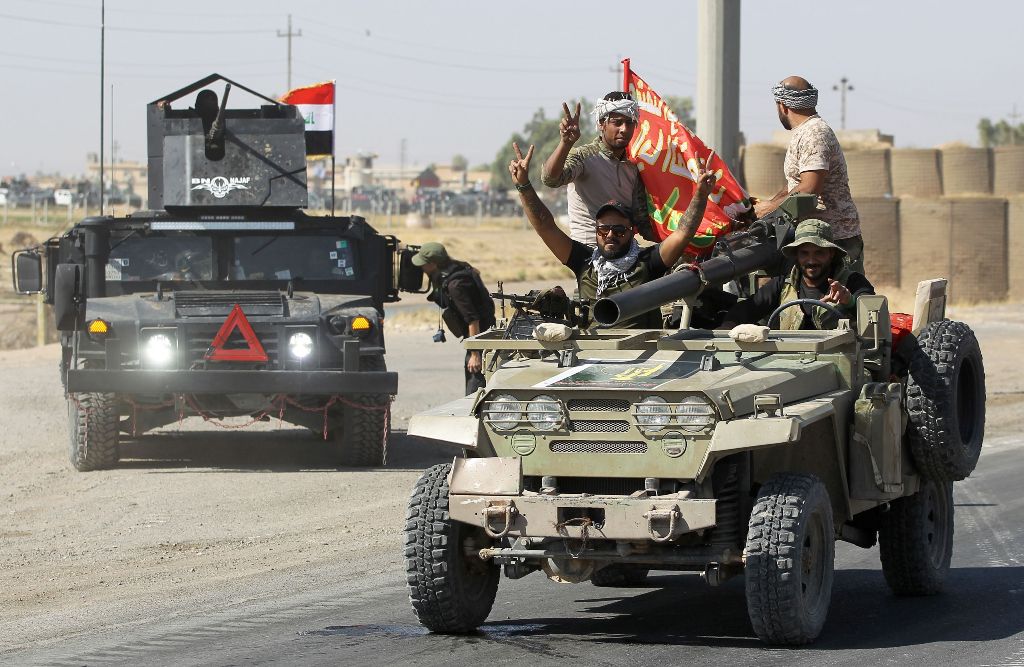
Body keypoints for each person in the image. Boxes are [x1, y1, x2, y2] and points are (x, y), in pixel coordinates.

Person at [510, 142, 716, 329]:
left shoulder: (647, 262)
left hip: (641, 352)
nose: (610, 235)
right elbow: (546, 226)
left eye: (619, 231)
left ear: (631, 231)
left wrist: (700, 195)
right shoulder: (584, 262)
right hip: (594, 351)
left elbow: (682, 233)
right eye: (603, 230)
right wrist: (523, 185)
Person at [752, 76, 864, 273]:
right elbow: (796, 183)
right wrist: (767, 205)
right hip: (815, 239)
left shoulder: (814, 133)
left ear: (783, 106)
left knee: (837, 293)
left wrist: (770, 208)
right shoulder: (805, 132)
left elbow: (810, 188)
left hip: (833, 240)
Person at [541, 92, 654, 247]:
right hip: (588, 251)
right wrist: (565, 144)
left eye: (629, 123)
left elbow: (642, 222)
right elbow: (550, 179)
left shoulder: (633, 167)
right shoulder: (584, 156)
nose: (624, 129)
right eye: (617, 122)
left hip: (623, 252)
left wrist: (682, 241)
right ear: (602, 123)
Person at [719, 219, 874, 331]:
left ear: (831, 253)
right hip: (789, 361)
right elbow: (747, 309)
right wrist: (728, 326)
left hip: (840, 360)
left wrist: (850, 302)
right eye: (804, 253)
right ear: (796, 255)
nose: (811, 260)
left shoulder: (853, 282)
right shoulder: (782, 285)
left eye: (819, 253)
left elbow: (874, 318)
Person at [411, 242, 496, 394]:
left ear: (433, 264)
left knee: (474, 393)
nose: (421, 268)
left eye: (423, 264)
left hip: (480, 341)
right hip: (484, 335)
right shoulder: (458, 268)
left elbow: (473, 319)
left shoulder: (455, 285)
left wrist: (475, 354)